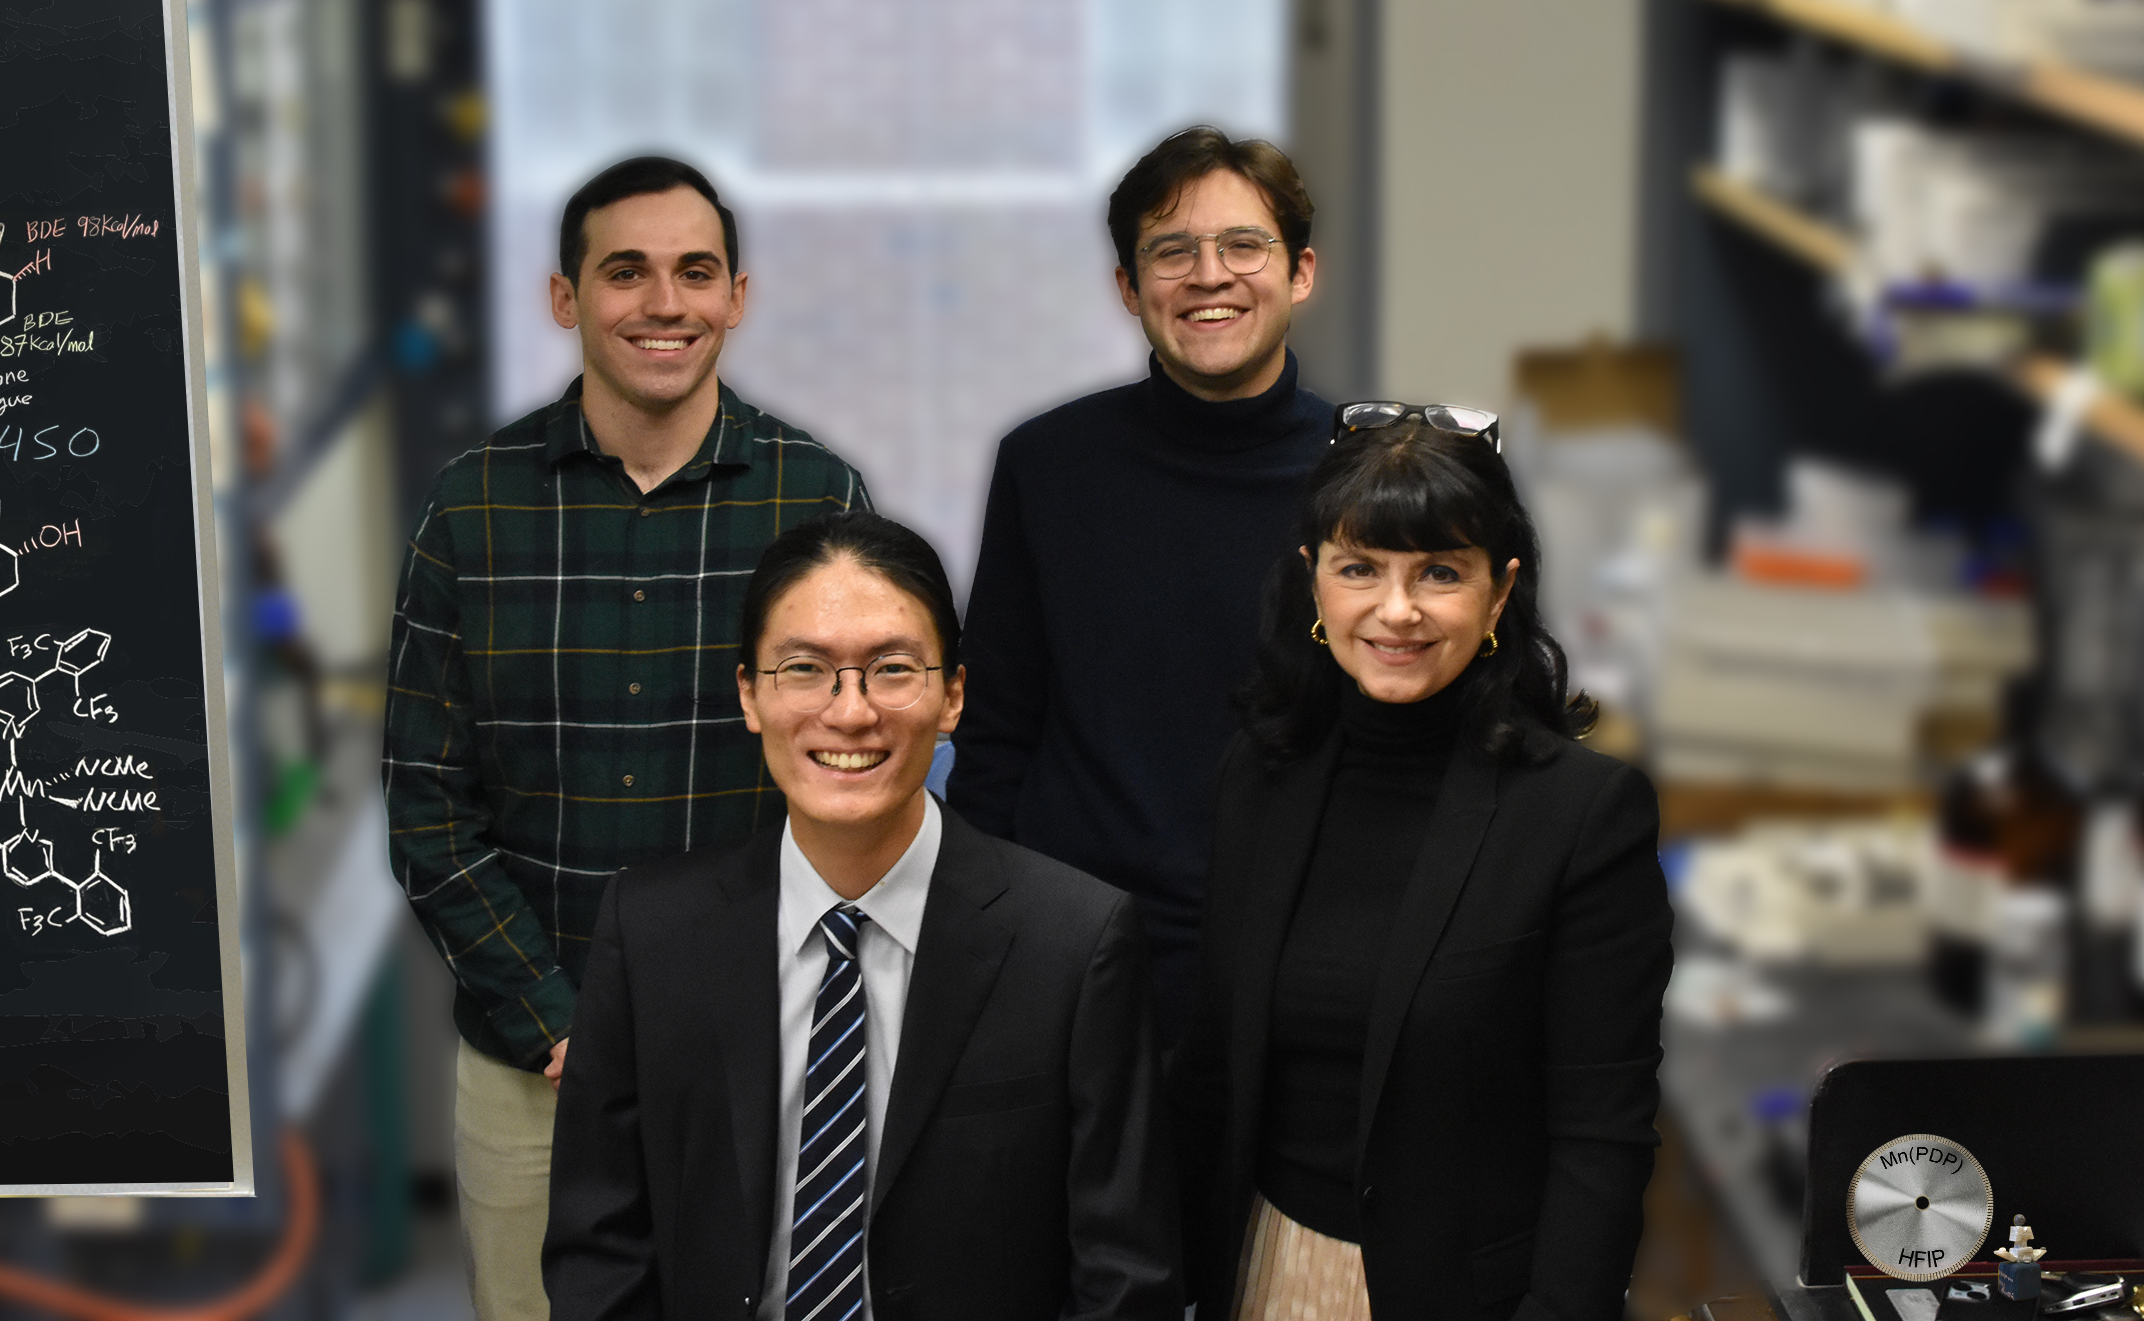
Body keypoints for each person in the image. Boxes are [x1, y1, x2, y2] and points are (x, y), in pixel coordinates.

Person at [383, 156, 869, 1321]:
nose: (665, 303)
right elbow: (424, 803)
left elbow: (858, 772)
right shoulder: (473, 508)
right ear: (565, 299)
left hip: (764, 1053)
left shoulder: (817, 503)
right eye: (626, 273)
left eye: (695, 272)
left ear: (735, 298)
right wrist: (559, 1023)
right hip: (531, 1063)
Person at [543, 511, 1181, 1321]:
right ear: (749, 694)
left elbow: (1125, 1277)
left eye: (891, 669)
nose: (849, 713)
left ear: (952, 695)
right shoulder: (651, 931)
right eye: (805, 668)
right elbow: (599, 1247)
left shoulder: (1074, 942)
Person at [1172, 405, 1674, 1321]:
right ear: (1312, 581)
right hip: (1262, 1267)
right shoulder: (1261, 773)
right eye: (1359, 568)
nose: (1395, 610)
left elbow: (1600, 1134)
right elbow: (1214, 1066)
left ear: (1498, 590)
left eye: (1439, 572)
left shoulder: (1582, 813)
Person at [948, 126, 1332, 1041]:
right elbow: (997, 733)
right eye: (1172, 251)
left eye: (1244, 245)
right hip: (1078, 959)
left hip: (1306, 960)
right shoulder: (1048, 467)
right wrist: (983, 934)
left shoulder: (1367, 479)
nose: (1210, 275)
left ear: (1301, 273)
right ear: (1129, 287)